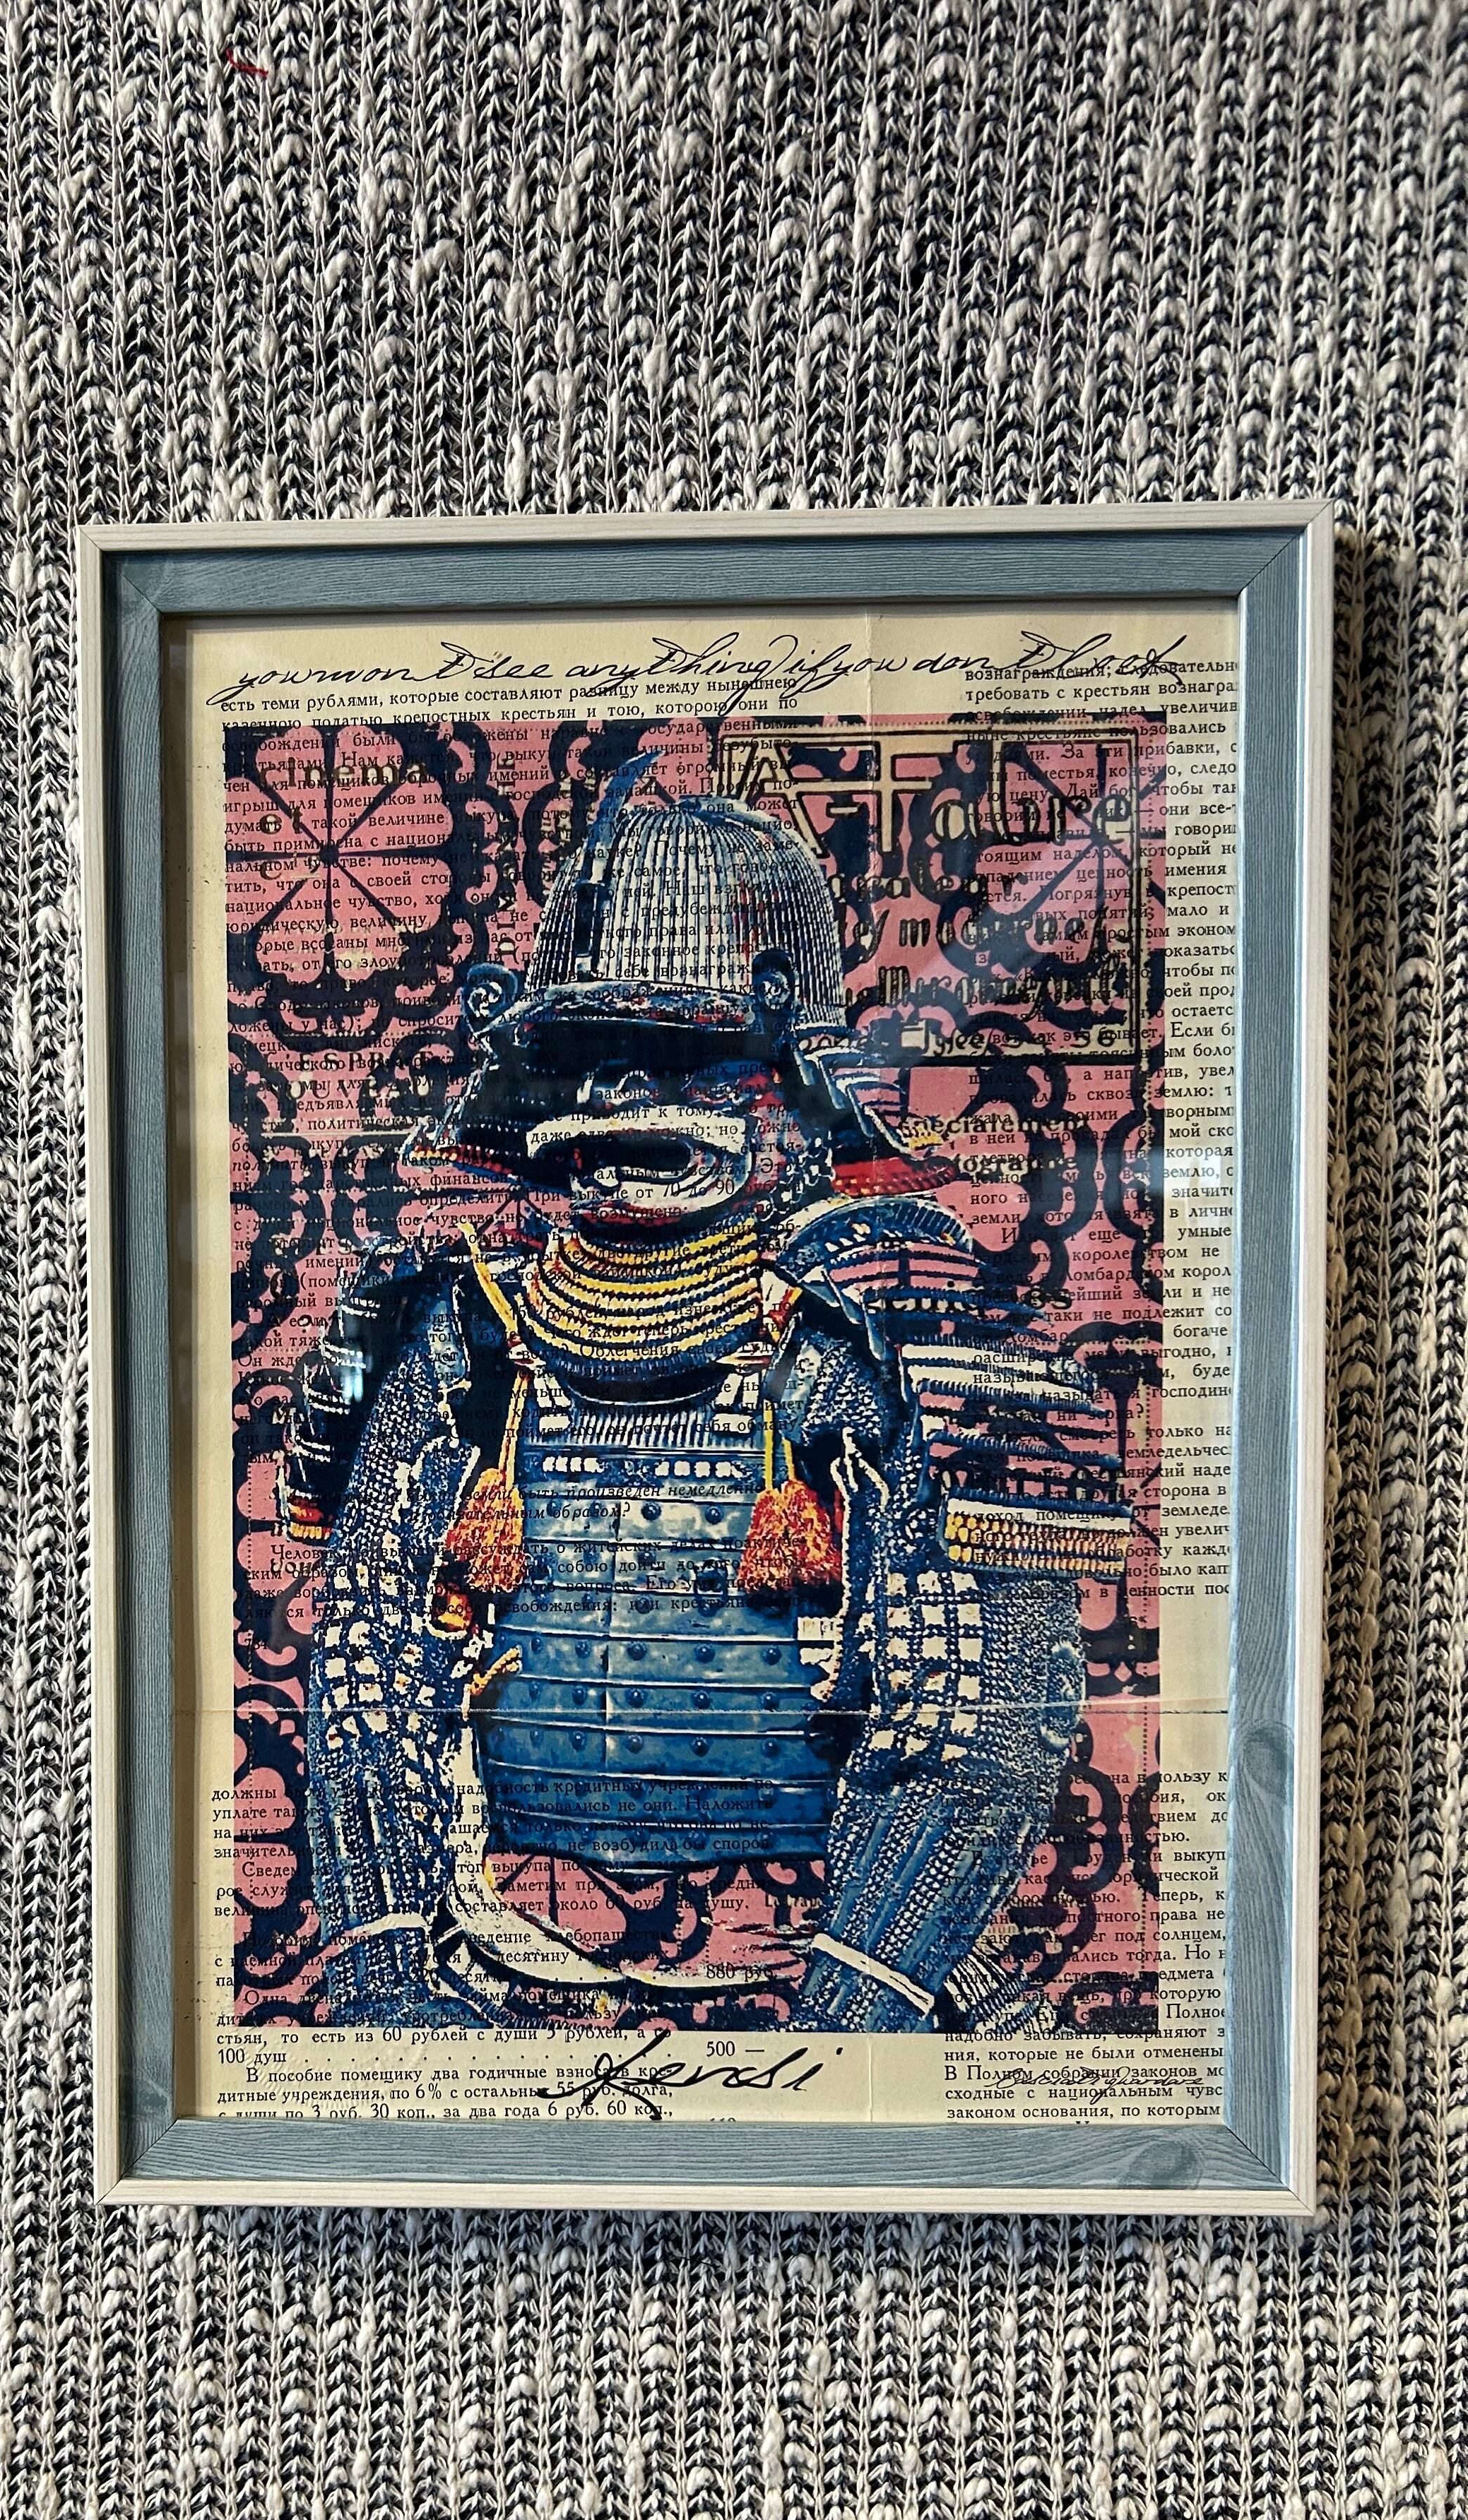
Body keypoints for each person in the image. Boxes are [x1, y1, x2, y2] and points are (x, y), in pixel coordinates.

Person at [282, 753, 1130, 2033]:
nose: (624, 1101)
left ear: (792, 1084)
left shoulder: (888, 1321)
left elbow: (977, 1714)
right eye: (591, 1056)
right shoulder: (454, 1330)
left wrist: (852, 2018)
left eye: (685, 1060)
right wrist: (392, 1985)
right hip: (489, 1972)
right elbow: (371, 1668)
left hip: (835, 1968)